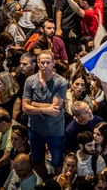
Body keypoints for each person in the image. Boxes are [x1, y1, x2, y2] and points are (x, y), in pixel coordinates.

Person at [22, 50, 67, 179]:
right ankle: (43, 182)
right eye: (42, 62)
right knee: (37, 160)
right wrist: (44, 109)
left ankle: (56, 183)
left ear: (54, 63)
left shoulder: (61, 82)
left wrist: (34, 104)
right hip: (35, 128)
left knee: (57, 160)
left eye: (48, 62)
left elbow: (56, 107)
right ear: (38, 63)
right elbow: (25, 107)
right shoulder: (30, 81)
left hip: (54, 129)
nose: (45, 65)